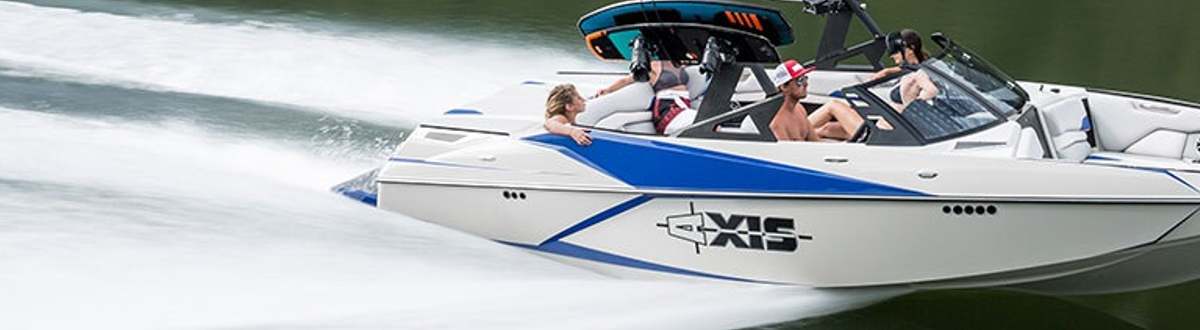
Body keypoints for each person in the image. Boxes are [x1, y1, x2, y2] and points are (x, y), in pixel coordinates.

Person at [807, 29, 938, 139]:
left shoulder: (919, 74)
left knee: (833, 106)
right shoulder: (915, 69)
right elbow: (910, 71)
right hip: (881, 126)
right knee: (827, 129)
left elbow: (931, 91)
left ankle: (792, 134)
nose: (892, 57)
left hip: (881, 135)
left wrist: (909, 110)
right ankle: (797, 135)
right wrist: (888, 71)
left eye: (896, 52)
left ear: (910, 49)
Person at [593, 61, 694, 135]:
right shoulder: (653, 64)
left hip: (684, 105)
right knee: (698, 121)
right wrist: (607, 90)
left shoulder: (679, 60)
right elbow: (626, 80)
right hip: (667, 108)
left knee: (704, 120)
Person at [768, 60, 820, 141]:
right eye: (800, 80)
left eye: (805, 78)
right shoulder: (777, 122)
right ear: (784, 87)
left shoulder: (800, 109)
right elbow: (786, 152)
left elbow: (816, 142)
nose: (806, 84)